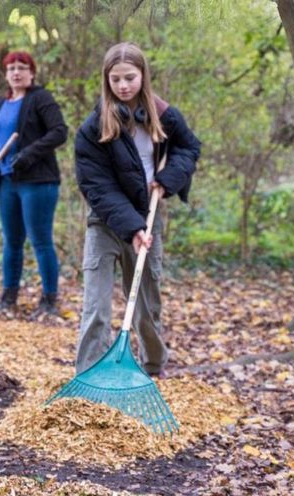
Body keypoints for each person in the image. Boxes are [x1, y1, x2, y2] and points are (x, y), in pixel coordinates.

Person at [73, 42, 201, 377]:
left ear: (143, 75)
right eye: (115, 79)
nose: (123, 85)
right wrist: (131, 229)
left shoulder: (163, 115)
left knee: (146, 306)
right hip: (104, 224)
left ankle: (154, 367)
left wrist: (168, 178)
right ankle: (90, 376)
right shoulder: (93, 128)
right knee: (97, 308)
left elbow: (189, 147)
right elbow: (96, 186)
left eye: (130, 77)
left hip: (149, 216)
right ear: (106, 80)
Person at [0, 51, 68, 317]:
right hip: (6, 182)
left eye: (22, 67)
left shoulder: (41, 98)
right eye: (11, 68)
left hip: (38, 182)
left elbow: (59, 132)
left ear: (32, 72)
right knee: (11, 242)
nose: (16, 72)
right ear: (5, 74)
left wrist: (29, 154)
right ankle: (8, 297)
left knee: (40, 241)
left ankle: (49, 300)